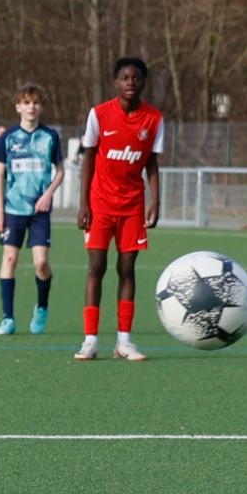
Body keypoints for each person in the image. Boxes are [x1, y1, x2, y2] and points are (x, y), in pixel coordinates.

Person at [76, 57, 164, 360]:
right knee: (96, 267)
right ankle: (90, 340)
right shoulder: (99, 114)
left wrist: (156, 200)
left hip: (132, 205)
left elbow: (152, 162)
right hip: (100, 203)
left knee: (127, 268)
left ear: (143, 82)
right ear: (116, 82)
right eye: (125, 78)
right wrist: (83, 203)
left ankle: (123, 341)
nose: (130, 82)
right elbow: (89, 158)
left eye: (136, 78)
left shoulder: (154, 119)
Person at [0, 83, 64, 336]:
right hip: (13, 209)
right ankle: (8, 318)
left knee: (41, 264)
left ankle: (42, 306)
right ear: (18, 107)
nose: (31, 107)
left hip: (39, 212)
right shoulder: (7, 138)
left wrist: (48, 194)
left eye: (36, 103)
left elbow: (60, 171)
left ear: (41, 107)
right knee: (9, 259)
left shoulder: (50, 137)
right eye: (26, 102)